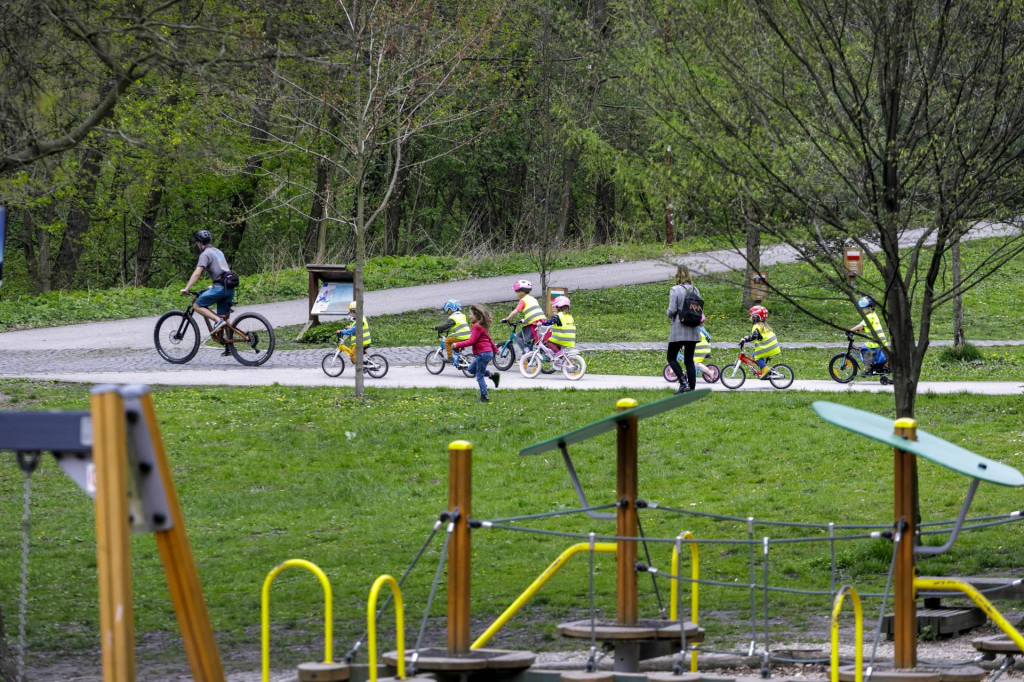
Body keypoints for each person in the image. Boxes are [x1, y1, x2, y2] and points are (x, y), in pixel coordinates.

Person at [180, 229, 235, 354]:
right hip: (229, 287)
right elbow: (223, 271)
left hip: (220, 288)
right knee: (224, 318)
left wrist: (187, 288)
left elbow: (197, 272)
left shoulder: (205, 254)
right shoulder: (218, 251)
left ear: (199, 243)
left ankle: (217, 321)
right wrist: (214, 285)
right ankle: (230, 347)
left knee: (197, 305)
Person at [453, 303, 501, 402]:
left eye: (471, 314)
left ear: (477, 315)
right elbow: (489, 339)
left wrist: (457, 345)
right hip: (487, 353)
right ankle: (493, 376)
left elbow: (472, 341)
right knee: (471, 369)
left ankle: (484, 396)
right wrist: (495, 349)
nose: (469, 316)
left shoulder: (477, 326)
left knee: (479, 376)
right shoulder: (481, 326)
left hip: (483, 354)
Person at [666, 265, 701, 393]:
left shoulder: (675, 290)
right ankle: (691, 388)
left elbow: (672, 310)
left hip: (679, 329)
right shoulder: (695, 290)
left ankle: (683, 382)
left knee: (671, 357)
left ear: (677, 275)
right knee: (689, 360)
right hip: (693, 329)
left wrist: (668, 314)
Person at [739, 305, 781, 378]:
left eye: (751, 316)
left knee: (757, 356)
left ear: (756, 317)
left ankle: (766, 370)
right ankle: (765, 370)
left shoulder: (757, 326)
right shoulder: (763, 325)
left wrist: (745, 339)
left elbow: (754, 336)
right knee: (754, 354)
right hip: (772, 346)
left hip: (768, 347)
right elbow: (757, 335)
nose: (750, 317)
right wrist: (746, 337)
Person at [501, 280, 546, 346]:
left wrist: (506, 319)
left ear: (522, 292)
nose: (516, 294)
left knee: (518, 337)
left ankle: (527, 351)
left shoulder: (523, 300)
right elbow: (533, 312)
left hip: (534, 324)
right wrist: (525, 320)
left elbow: (515, 311)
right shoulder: (532, 298)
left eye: (516, 292)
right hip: (542, 321)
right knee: (533, 340)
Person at [850, 296, 888, 372]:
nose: (861, 310)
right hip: (881, 340)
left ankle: (868, 368)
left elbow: (860, 325)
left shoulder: (868, 317)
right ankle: (874, 364)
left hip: (875, 342)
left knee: (864, 349)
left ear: (869, 308)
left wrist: (849, 330)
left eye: (862, 309)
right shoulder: (874, 315)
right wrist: (862, 329)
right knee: (871, 351)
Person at [541, 295, 576, 364]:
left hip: (562, 338)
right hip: (570, 339)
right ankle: (561, 361)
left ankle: (559, 355)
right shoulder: (569, 316)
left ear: (558, 307)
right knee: (557, 345)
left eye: (555, 307)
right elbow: (563, 325)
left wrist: (542, 323)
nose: (555, 309)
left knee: (548, 342)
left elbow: (549, 322)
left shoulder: (558, 316)